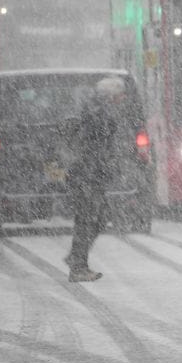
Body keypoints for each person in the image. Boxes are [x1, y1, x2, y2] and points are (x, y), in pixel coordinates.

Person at [65, 77, 126, 282]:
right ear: (110, 96)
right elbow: (96, 147)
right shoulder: (99, 114)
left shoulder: (93, 110)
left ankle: (76, 259)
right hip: (88, 175)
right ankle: (78, 266)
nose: (122, 99)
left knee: (94, 218)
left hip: (89, 174)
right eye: (119, 95)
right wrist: (101, 168)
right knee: (89, 218)